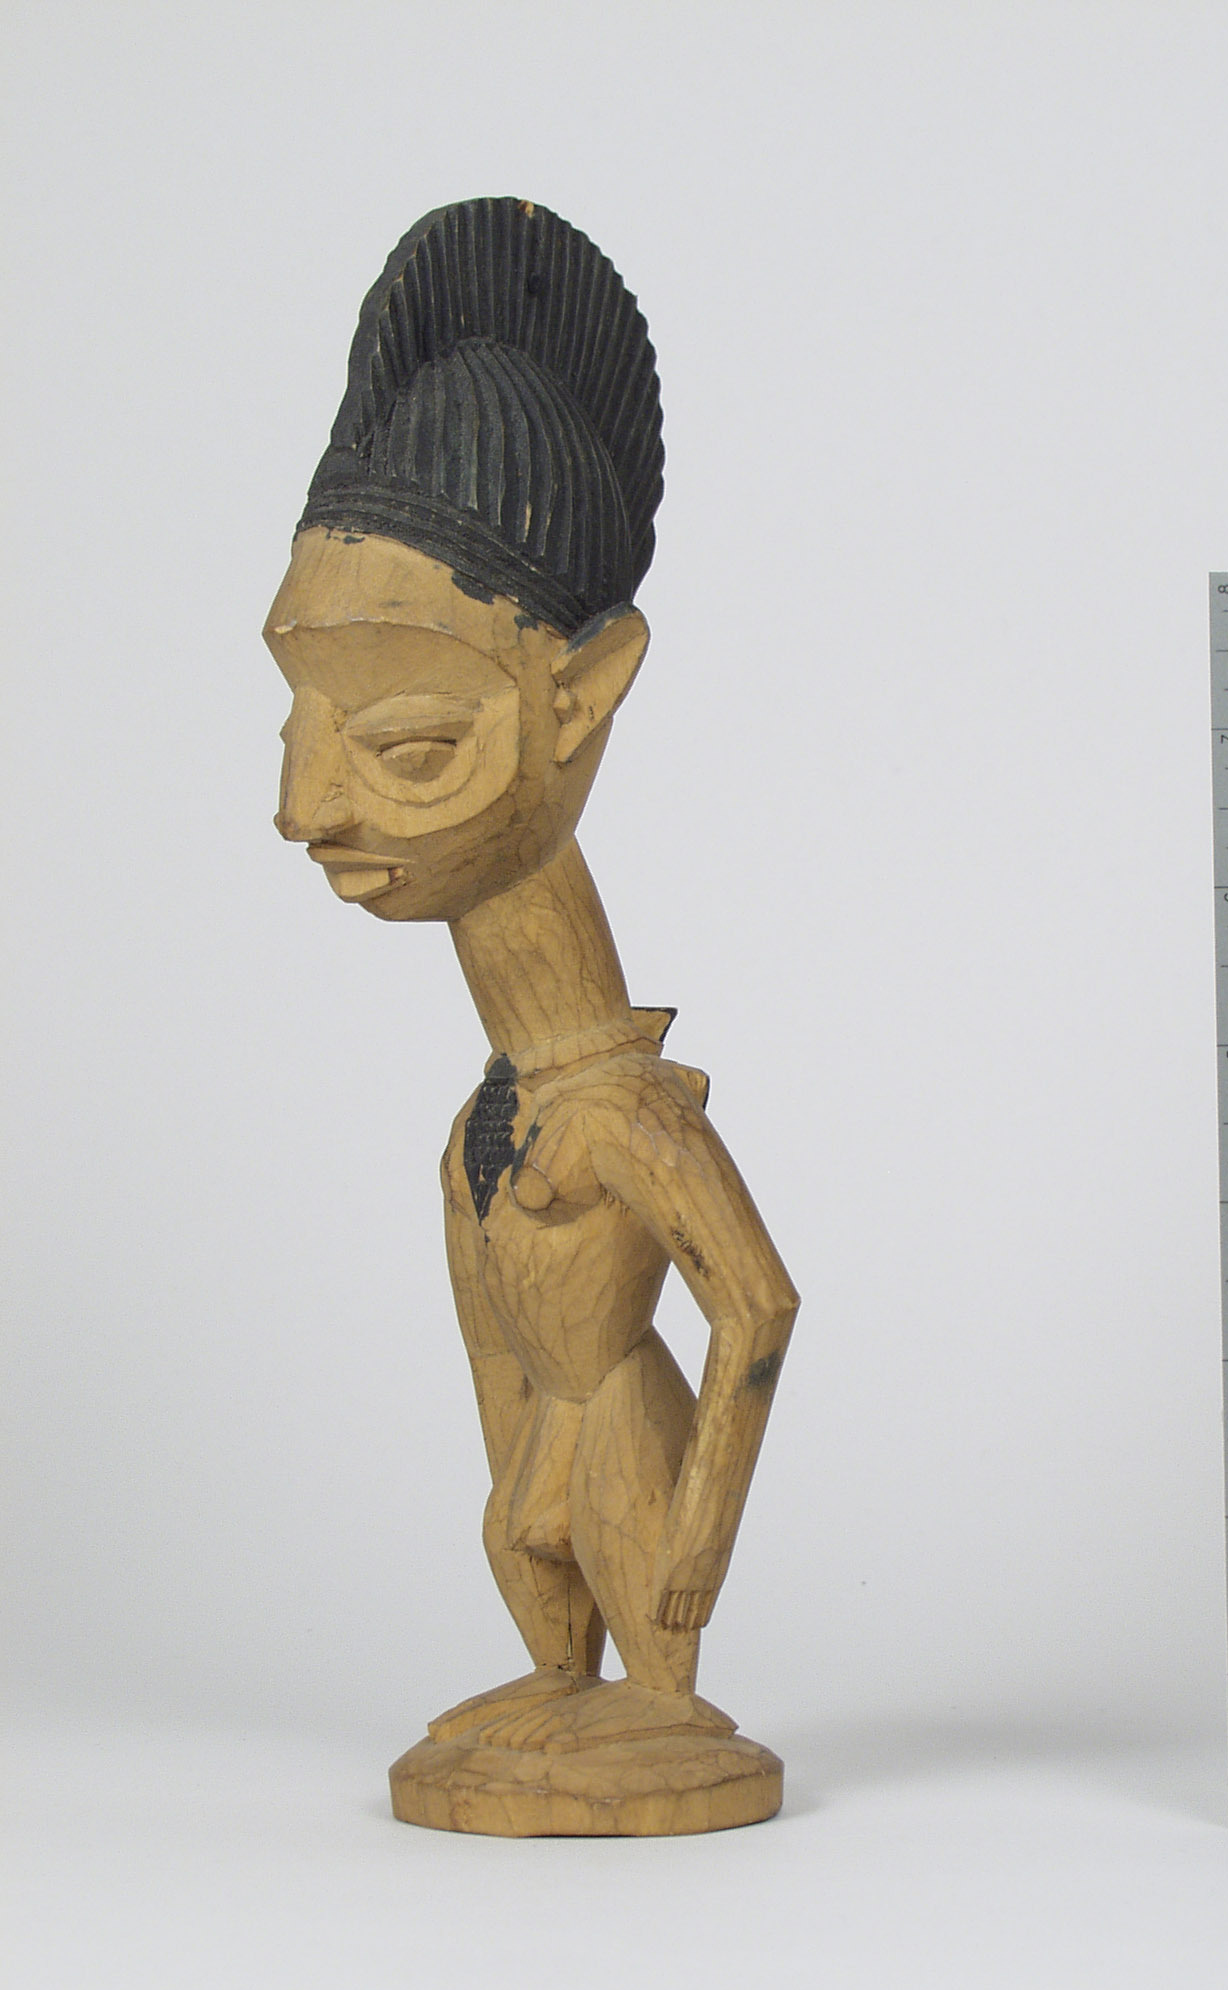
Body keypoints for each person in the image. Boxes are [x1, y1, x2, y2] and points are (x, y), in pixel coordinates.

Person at [264, 200, 797, 1833]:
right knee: (512, 1522)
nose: (305, 809)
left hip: (627, 1460)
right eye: (298, 723)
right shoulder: (492, 1119)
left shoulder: (623, 1118)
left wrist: (694, 1540)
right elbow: (498, 1359)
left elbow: (758, 1309)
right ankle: (569, 1679)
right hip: (544, 1465)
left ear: (579, 694)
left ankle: (656, 1693)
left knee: (593, 1474)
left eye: (408, 747)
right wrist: (523, 1486)